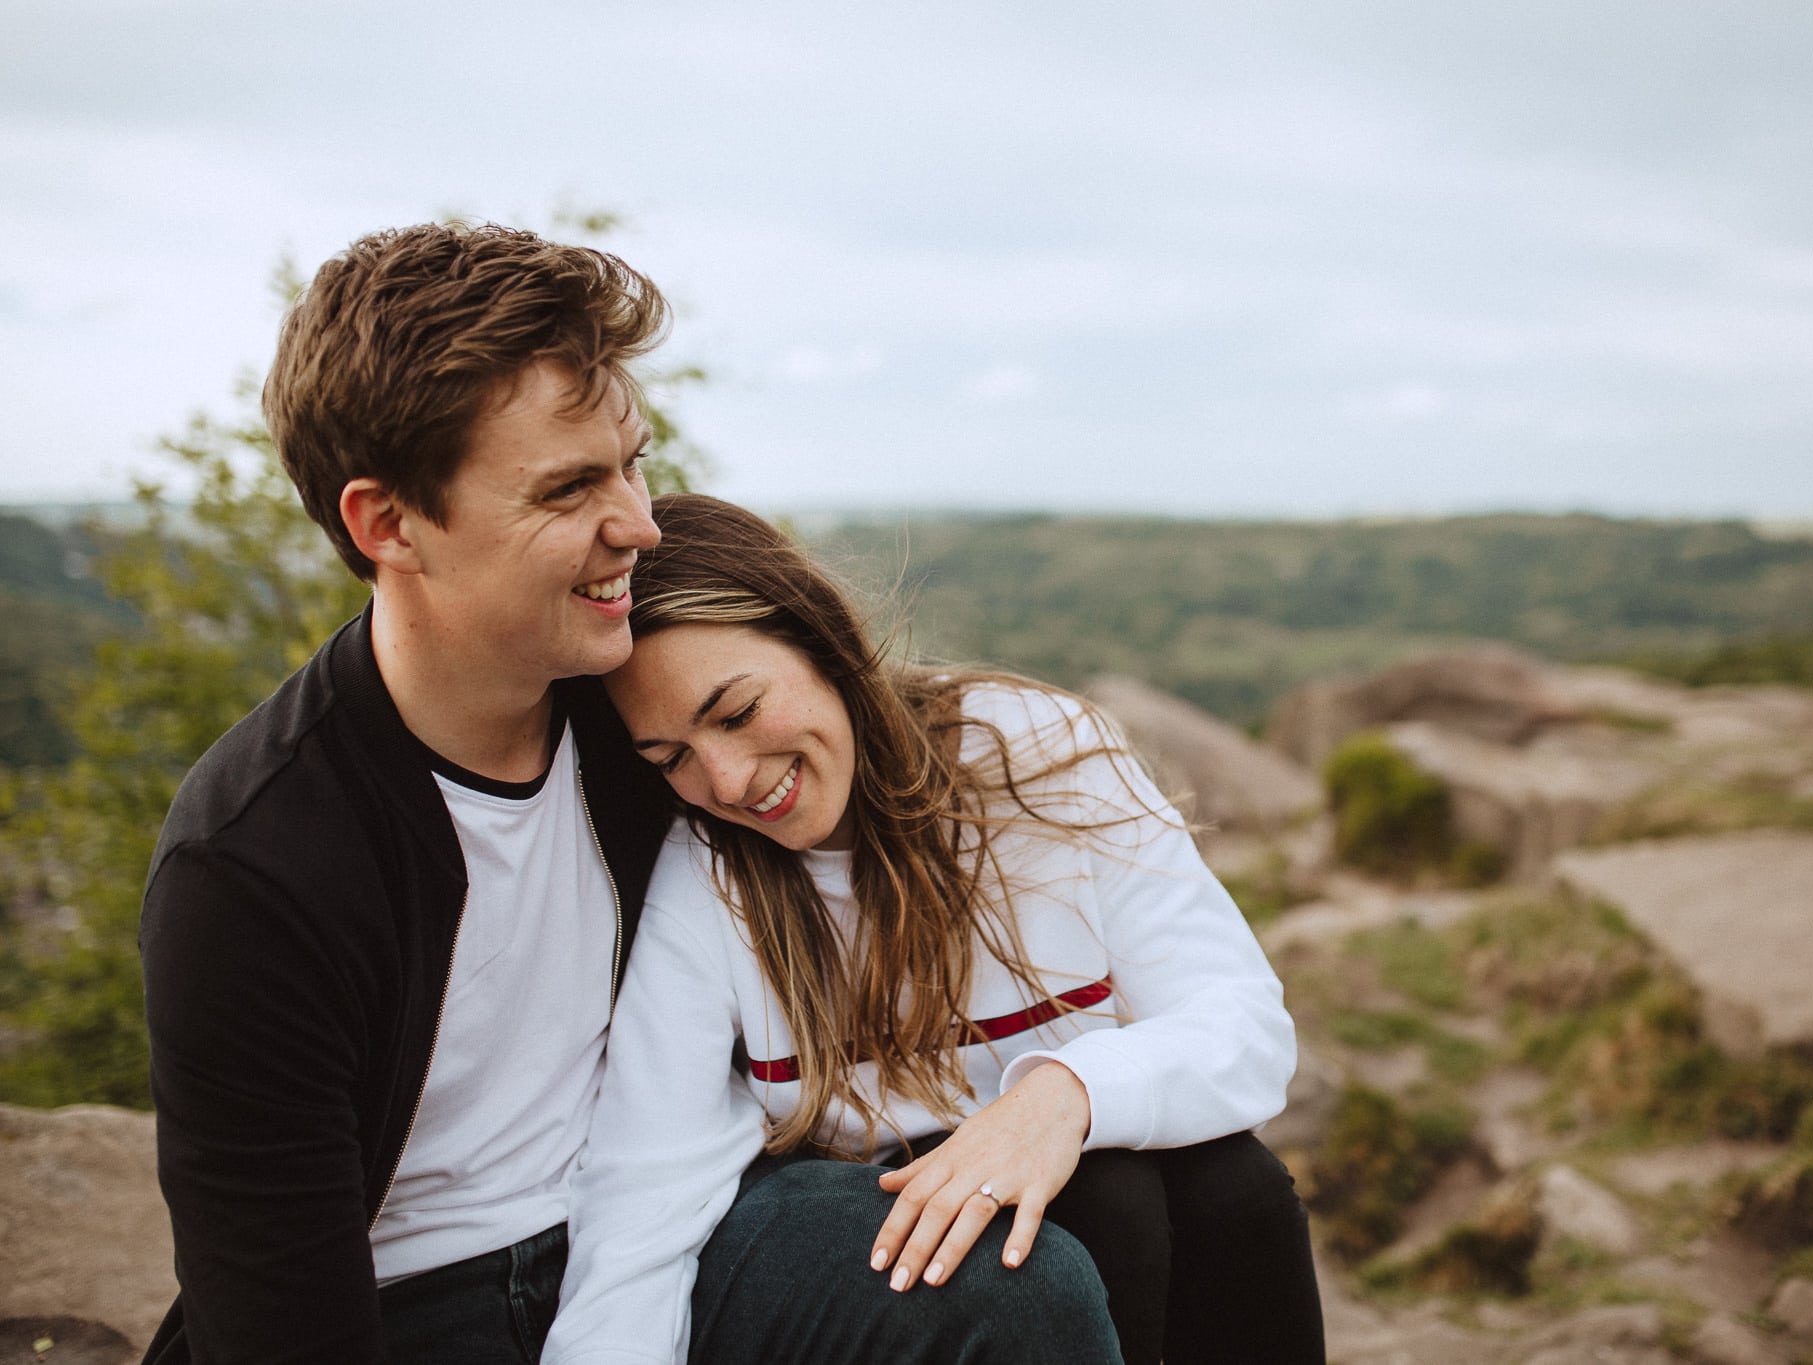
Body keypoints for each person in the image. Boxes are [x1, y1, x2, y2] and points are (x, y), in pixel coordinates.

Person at [139, 221, 1119, 1365]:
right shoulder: (256, 865)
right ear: (387, 523)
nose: (640, 525)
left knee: (1012, 1279)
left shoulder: (645, 721)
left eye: (631, 462)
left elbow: (843, 718)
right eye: (567, 491)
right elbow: (280, 1321)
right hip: (405, 1306)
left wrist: (1073, 1083)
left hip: (674, 1233)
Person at [544, 494, 1324, 1364]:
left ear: (820, 639)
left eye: (734, 711)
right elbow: (644, 1190)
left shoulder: (1033, 756)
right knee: (1107, 1209)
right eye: (672, 758)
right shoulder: (708, 875)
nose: (725, 781)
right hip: (868, 1231)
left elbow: (1245, 1024)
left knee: (1231, 1186)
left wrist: (1061, 1094)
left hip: (1079, 1178)